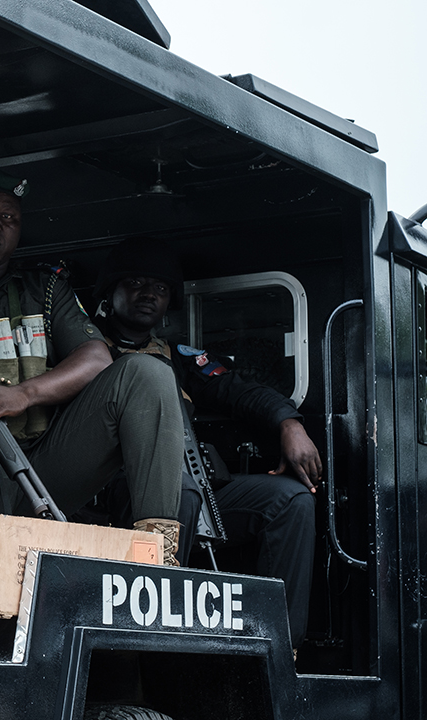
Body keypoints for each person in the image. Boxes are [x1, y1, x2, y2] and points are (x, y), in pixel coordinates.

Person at [0, 169, 185, 564]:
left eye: (8, 217)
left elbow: (97, 358)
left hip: (45, 467)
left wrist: (22, 394)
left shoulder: (44, 288)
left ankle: (158, 553)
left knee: (148, 373)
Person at [89, 236, 318, 647]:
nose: (149, 295)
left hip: (191, 485)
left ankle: (280, 644)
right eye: (137, 283)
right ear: (111, 290)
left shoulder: (177, 356)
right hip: (113, 490)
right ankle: (160, 642)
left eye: (160, 288)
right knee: (182, 496)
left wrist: (289, 422)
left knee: (289, 500)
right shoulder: (85, 351)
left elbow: (239, 390)